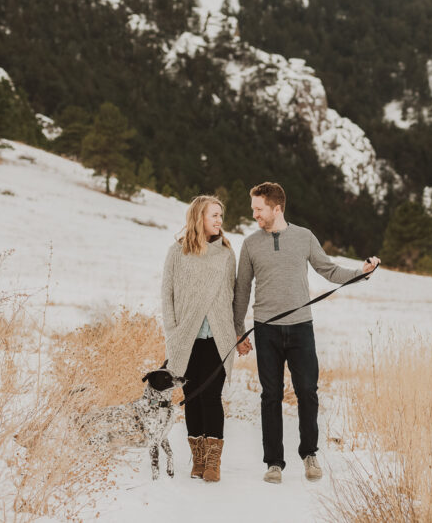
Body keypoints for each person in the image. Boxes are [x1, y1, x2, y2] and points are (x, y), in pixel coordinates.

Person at [233, 182, 379, 484]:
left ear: (277, 208)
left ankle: (310, 453)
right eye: (253, 210)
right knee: (270, 396)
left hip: (301, 328)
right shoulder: (250, 244)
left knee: (308, 393)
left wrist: (360, 273)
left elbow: (329, 270)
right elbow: (242, 289)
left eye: (259, 209)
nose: (254, 215)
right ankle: (274, 462)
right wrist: (238, 331)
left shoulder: (304, 237)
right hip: (266, 330)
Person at [161, 195, 237, 483]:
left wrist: (237, 332)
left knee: (211, 396)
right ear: (198, 218)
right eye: (213, 215)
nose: (219, 220)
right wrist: (173, 332)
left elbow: (232, 296)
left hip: (218, 338)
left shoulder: (227, 254)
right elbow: (166, 295)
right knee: (191, 397)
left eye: (220, 215)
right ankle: (198, 458)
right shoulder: (177, 252)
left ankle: (213, 462)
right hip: (186, 339)